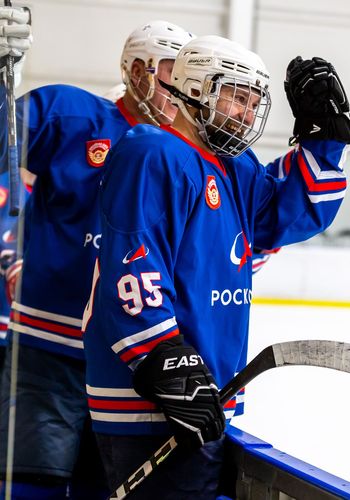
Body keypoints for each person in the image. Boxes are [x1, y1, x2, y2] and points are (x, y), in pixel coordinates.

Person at [82, 35, 350, 499]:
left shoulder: (236, 167)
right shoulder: (153, 152)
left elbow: (288, 215)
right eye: (235, 96)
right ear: (194, 89)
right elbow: (132, 263)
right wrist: (167, 363)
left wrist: (323, 141)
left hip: (201, 390)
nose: (247, 114)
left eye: (253, 102)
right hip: (148, 397)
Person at [0, 7, 194, 498]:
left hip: (129, 361)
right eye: (170, 71)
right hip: (49, 347)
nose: (179, 87)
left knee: (106, 489)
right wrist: (4, 74)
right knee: (31, 482)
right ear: (136, 70)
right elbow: (5, 142)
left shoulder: (187, 155)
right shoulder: (73, 117)